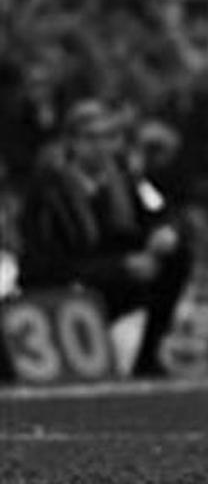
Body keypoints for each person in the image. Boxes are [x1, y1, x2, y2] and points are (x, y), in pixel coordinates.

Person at [17, 98, 194, 377]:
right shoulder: (48, 191)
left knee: (177, 256)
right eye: (91, 138)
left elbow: (161, 210)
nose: (101, 147)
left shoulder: (127, 180)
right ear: (72, 142)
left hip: (120, 283)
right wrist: (121, 267)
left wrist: (168, 230)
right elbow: (44, 263)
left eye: (109, 137)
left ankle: (147, 356)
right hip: (71, 285)